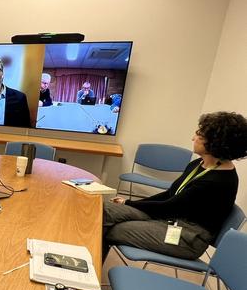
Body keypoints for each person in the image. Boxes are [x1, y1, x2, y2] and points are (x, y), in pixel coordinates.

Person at [103, 111, 247, 260]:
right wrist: (129, 204)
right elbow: (170, 194)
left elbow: (169, 207)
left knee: (113, 229)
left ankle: (88, 275)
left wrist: (129, 203)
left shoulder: (218, 181)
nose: (193, 138)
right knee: (105, 211)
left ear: (215, 143)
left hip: (188, 237)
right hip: (172, 218)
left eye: (199, 135)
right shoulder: (199, 164)